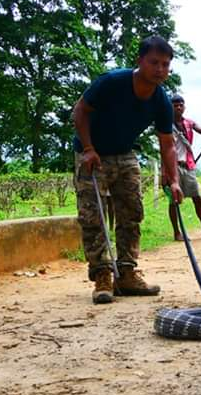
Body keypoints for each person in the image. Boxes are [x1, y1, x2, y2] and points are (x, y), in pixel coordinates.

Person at [72, 35, 183, 304]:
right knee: (93, 215)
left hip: (124, 153)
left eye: (166, 64)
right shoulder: (112, 82)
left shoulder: (161, 101)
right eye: (154, 62)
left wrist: (174, 180)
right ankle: (102, 275)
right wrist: (88, 149)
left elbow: (167, 144)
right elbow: (80, 110)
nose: (160, 69)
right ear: (140, 61)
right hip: (92, 153)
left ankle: (127, 272)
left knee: (132, 211)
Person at [168, 94, 201, 241]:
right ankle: (176, 232)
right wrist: (165, 171)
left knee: (197, 198)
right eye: (175, 105)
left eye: (181, 104)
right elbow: (164, 149)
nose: (178, 107)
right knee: (173, 200)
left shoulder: (189, 123)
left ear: (184, 106)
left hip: (187, 166)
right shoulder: (165, 125)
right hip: (173, 166)